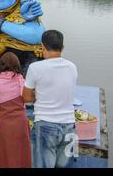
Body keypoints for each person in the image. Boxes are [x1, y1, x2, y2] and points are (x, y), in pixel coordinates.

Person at [23, 30, 78, 168]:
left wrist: (39, 95)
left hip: (45, 126)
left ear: (42, 46)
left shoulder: (35, 68)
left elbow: (26, 97)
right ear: (63, 47)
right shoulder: (72, 67)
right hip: (69, 127)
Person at [0, 52, 31, 168]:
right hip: (20, 124)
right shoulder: (21, 81)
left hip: (0, 125)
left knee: (2, 154)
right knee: (20, 154)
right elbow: (28, 100)